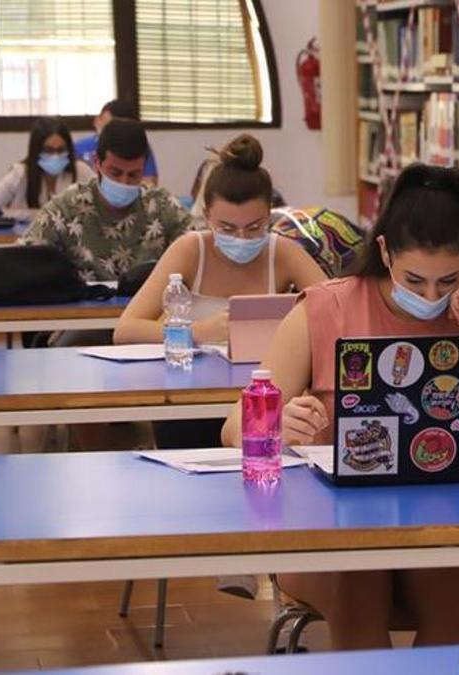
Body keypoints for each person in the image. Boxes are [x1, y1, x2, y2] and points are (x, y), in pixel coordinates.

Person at [220, 163, 459, 649]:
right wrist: (276, 423)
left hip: (450, 528)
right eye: (415, 280)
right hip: (334, 529)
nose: (431, 296)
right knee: (356, 584)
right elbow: (233, 427)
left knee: (451, 590)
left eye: (449, 279)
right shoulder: (324, 309)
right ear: (384, 251)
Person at [113, 134, 327, 448]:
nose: (241, 238)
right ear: (207, 216)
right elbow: (125, 330)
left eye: (254, 228)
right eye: (227, 229)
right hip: (188, 401)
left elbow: (336, 313)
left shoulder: (283, 252)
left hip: (263, 389)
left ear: (270, 215)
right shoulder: (190, 250)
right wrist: (197, 332)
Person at [21, 117, 191, 282]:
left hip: (151, 301)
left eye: (133, 175)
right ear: (97, 162)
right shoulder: (65, 209)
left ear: (143, 167)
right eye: (115, 173)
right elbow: (22, 261)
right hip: (85, 301)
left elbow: (198, 251)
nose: (124, 182)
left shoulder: (162, 206)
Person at [0, 117, 94, 220]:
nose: (56, 156)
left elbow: (101, 207)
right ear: (36, 150)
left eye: (61, 150)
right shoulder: (20, 173)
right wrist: (23, 214)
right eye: (49, 150)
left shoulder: (81, 171)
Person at [74, 99, 159, 185]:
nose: (110, 133)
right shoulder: (78, 148)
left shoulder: (138, 148)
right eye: (106, 127)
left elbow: (150, 183)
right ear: (97, 121)